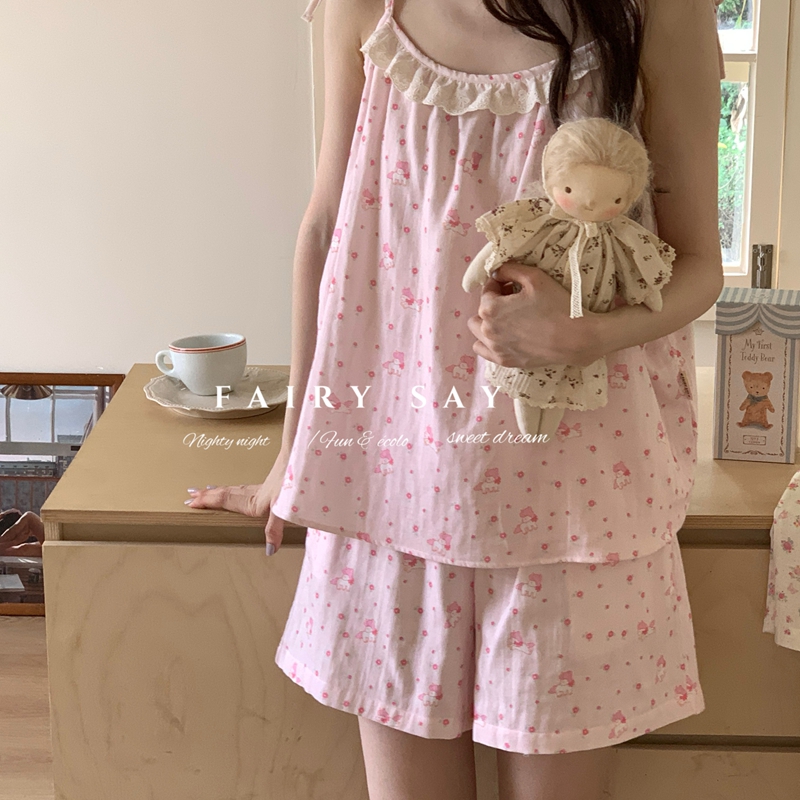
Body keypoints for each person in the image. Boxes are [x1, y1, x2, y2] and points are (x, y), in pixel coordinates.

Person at [185, 0, 724, 797]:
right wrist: (292, 456)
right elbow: (327, 226)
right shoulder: (364, 9)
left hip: (575, 509)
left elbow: (700, 262)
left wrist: (579, 335)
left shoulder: (657, 10)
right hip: (399, 497)